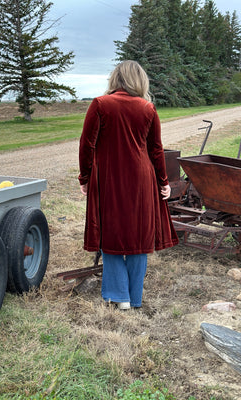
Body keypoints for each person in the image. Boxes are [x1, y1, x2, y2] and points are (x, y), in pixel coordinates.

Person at [78, 60, 178, 310]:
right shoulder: (148, 108)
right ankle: (134, 298)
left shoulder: (100, 104)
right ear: (140, 81)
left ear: (115, 79)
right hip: (142, 181)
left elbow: (86, 145)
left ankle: (119, 296)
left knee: (111, 233)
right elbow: (156, 150)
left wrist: (85, 177)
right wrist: (163, 182)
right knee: (138, 236)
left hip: (109, 179)